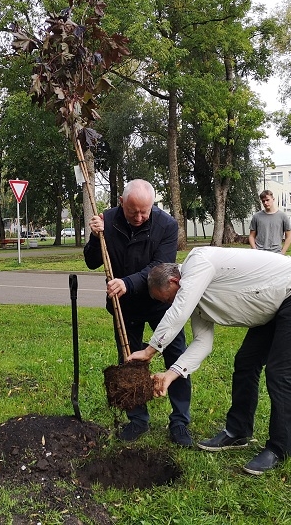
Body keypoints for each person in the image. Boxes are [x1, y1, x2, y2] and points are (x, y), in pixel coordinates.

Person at [127, 246, 291, 476]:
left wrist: (150, 351)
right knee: (246, 363)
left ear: (174, 281)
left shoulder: (198, 262)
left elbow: (179, 310)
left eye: (167, 299)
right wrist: (170, 375)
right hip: (274, 307)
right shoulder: (198, 302)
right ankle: (238, 432)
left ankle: (280, 449)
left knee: (280, 373)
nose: (169, 304)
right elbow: (203, 343)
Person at [83, 179, 192, 446]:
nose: (140, 217)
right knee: (130, 359)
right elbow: (91, 261)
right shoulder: (107, 219)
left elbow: (160, 266)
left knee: (176, 355)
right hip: (124, 306)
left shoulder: (166, 225)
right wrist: (98, 238)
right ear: (122, 203)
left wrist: (127, 282)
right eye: (134, 212)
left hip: (160, 303)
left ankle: (180, 422)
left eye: (145, 211)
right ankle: (138, 420)